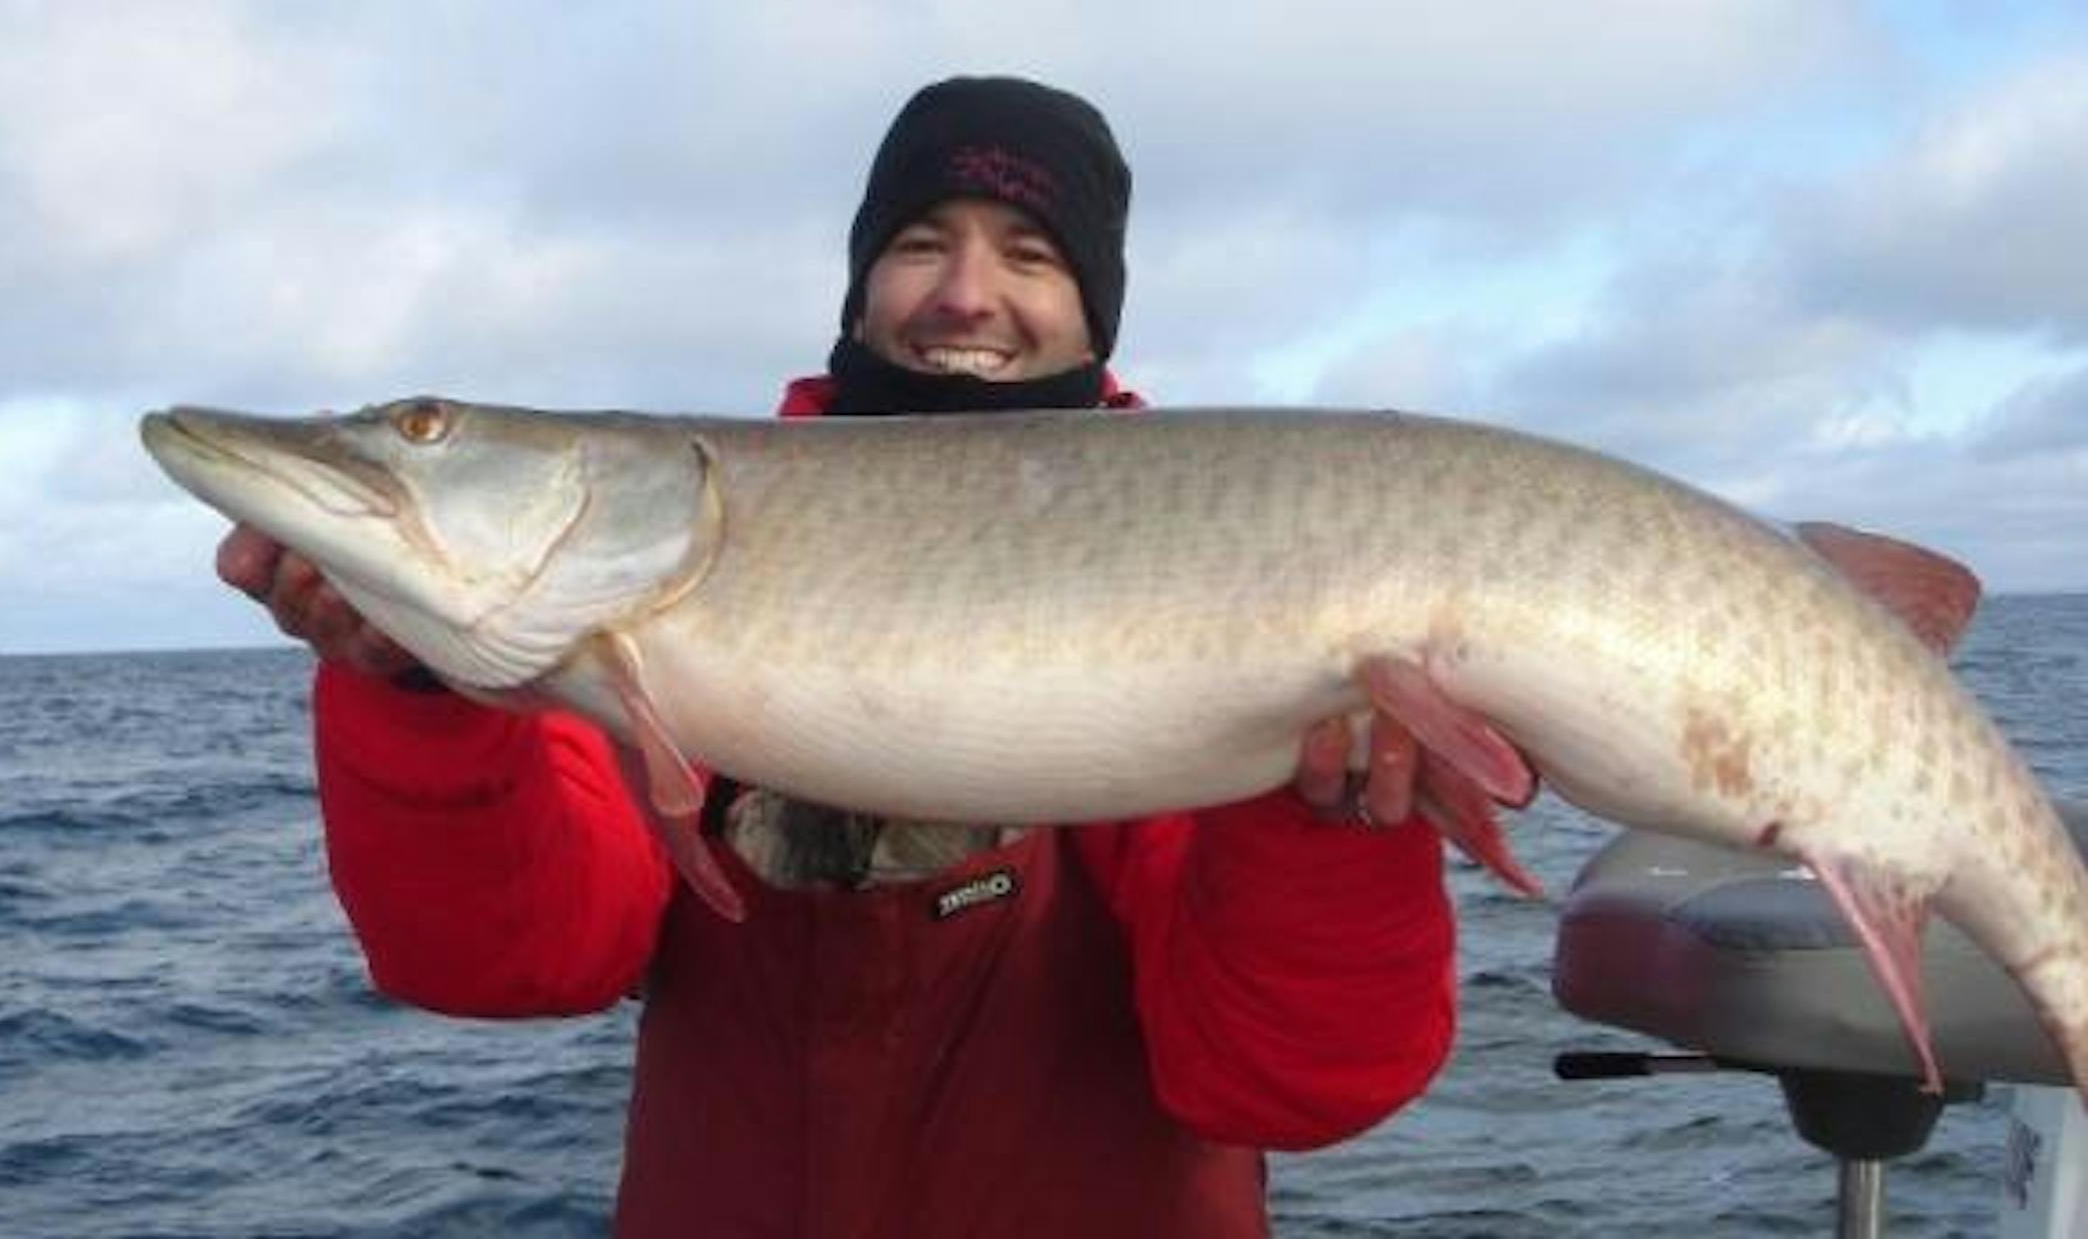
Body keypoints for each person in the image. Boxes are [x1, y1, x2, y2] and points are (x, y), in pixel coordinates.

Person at [217, 76, 1462, 1237]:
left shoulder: (1223, 558)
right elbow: (517, 961)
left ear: (1095, 311)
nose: (966, 293)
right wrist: (429, 691)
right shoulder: (652, 580)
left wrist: (1325, 821)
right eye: (921, 243)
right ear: (861, 287)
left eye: (1030, 254)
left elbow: (1290, 1087)